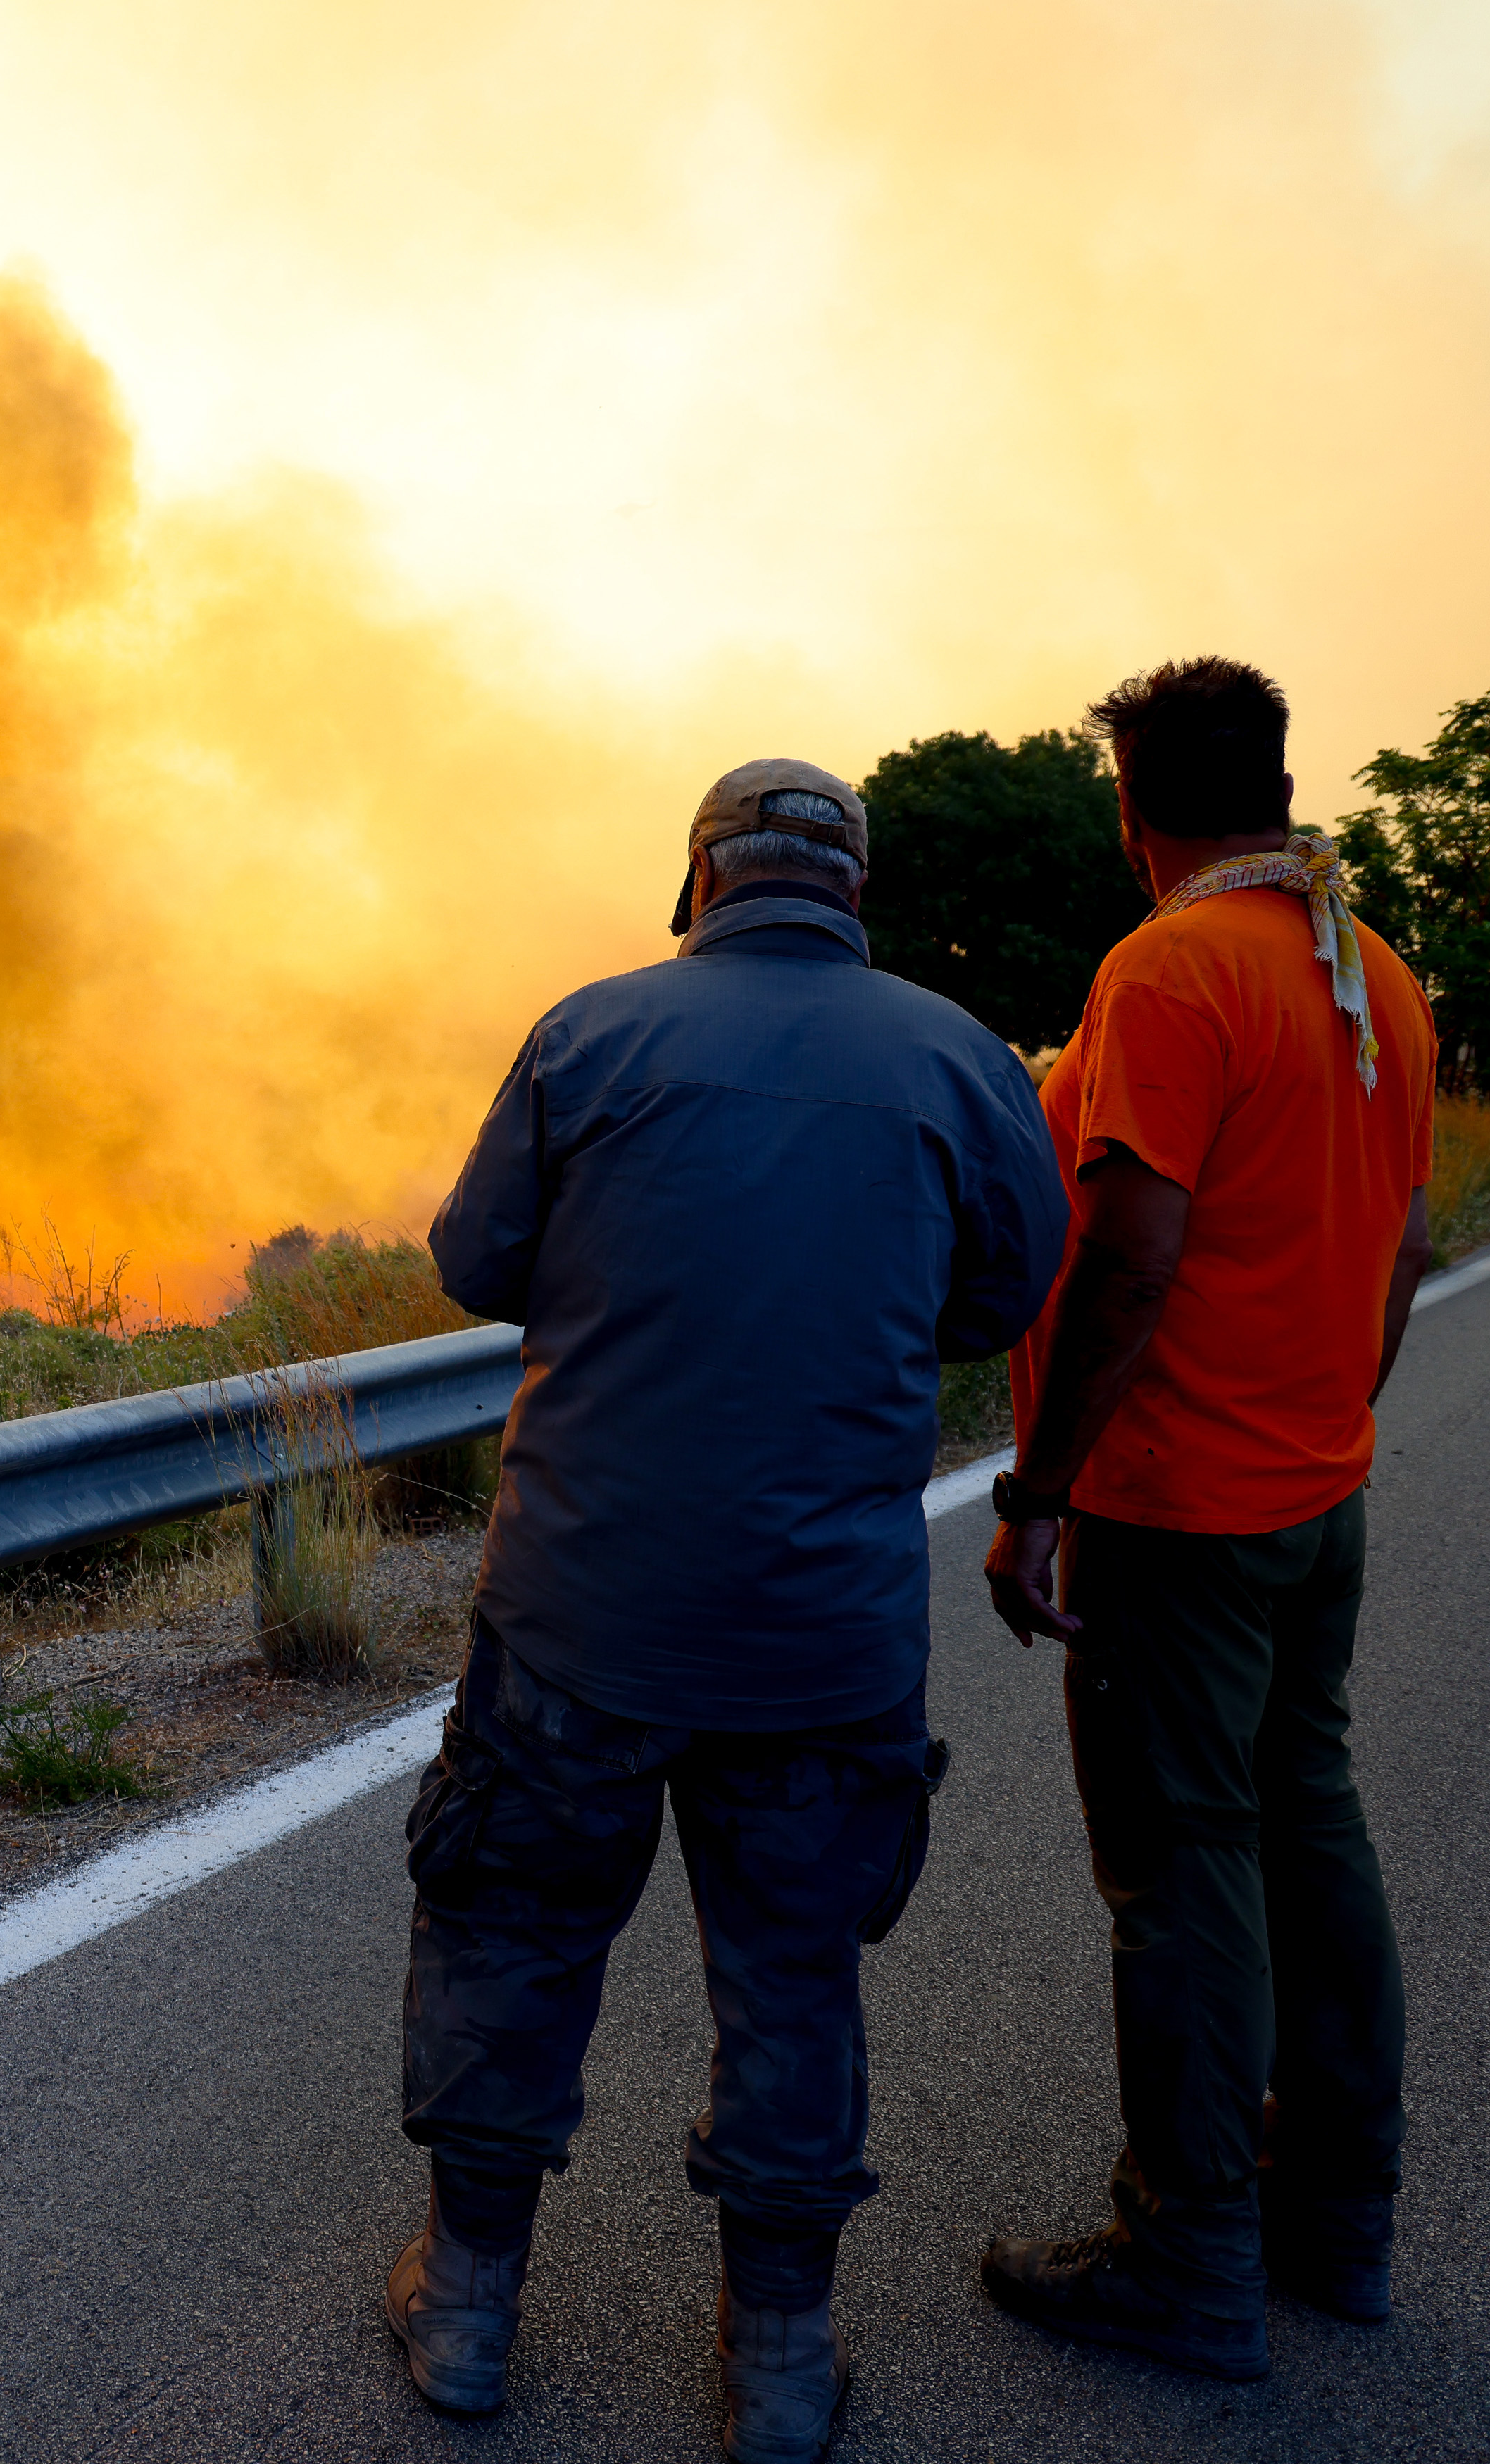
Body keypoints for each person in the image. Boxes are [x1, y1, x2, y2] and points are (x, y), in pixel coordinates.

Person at [396, 760, 1068, 2458]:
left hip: (575, 1619)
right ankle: (776, 2362)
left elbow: (475, 1262)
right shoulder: (956, 1058)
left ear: (695, 882)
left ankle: (466, 2316)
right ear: (855, 894)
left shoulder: (586, 1036)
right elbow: (1004, 1292)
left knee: (513, 1939)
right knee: (791, 1982)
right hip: (820, 1641)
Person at [977, 655, 1436, 2382]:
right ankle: (1341, 2219)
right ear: (1277, 781)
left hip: (1181, 1515)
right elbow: (1395, 1248)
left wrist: (1042, 1492)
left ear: (1131, 809)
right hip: (1317, 1499)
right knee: (1309, 1829)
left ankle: (1188, 2250)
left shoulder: (1169, 968)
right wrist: (1331, 1413)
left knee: (1181, 1865)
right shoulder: (1371, 970)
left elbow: (1134, 1250)